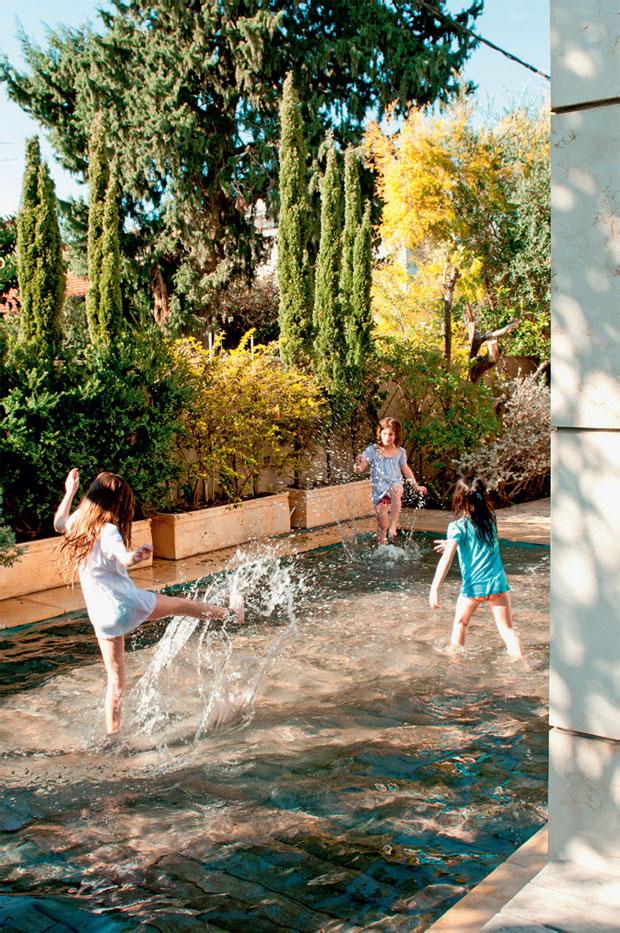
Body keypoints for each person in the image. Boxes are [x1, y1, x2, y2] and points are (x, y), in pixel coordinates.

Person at [54, 468, 245, 734]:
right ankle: (231, 614)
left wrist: (69, 491)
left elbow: (58, 523)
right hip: (124, 604)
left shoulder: (78, 523)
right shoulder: (107, 530)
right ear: (117, 503)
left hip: (100, 615)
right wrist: (137, 556)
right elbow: (123, 557)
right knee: (181, 606)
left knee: (116, 681)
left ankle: (112, 737)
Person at [429, 476, 523, 658]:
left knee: (460, 624)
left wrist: (435, 588)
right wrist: (451, 543)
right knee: (507, 629)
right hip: (497, 584)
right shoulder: (491, 519)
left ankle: (456, 667)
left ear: (459, 498)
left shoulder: (457, 526)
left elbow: (446, 559)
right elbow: (478, 539)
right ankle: (522, 664)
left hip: (474, 587)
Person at [354, 417, 427, 545]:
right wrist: (357, 464)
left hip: (394, 485)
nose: (387, 437)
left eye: (391, 434)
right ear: (380, 434)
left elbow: (406, 470)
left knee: (396, 488)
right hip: (379, 490)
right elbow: (359, 469)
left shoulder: (400, 452)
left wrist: (416, 486)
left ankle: (393, 526)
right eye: (384, 434)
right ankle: (382, 548)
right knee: (382, 526)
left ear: (396, 435)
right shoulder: (373, 451)